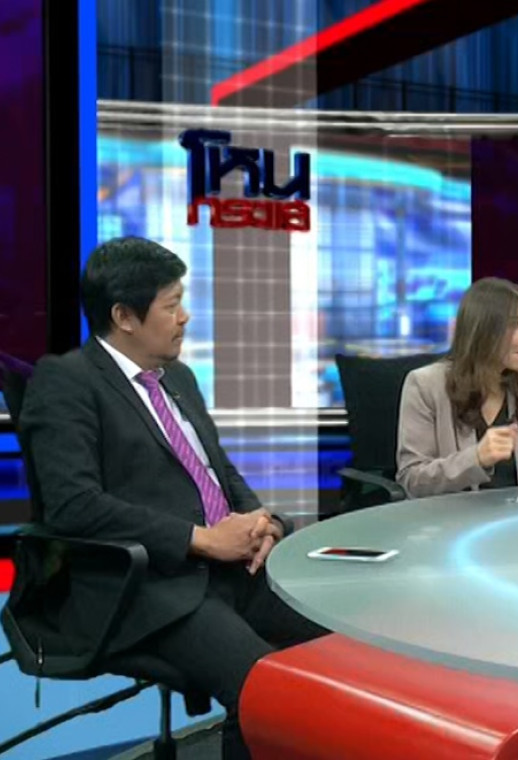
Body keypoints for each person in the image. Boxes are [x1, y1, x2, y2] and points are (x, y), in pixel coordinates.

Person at [19, 237, 326, 759]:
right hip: (147, 585)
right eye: (171, 305)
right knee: (266, 688)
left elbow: (217, 469)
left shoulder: (177, 377)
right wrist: (202, 540)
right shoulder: (67, 382)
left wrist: (260, 522)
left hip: (233, 569)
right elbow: (74, 505)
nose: (184, 317)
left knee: (340, 643)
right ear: (124, 316)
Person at [397, 277, 518, 497]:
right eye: (515, 324)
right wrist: (476, 458)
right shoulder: (425, 385)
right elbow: (412, 481)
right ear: (483, 331)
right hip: (453, 517)